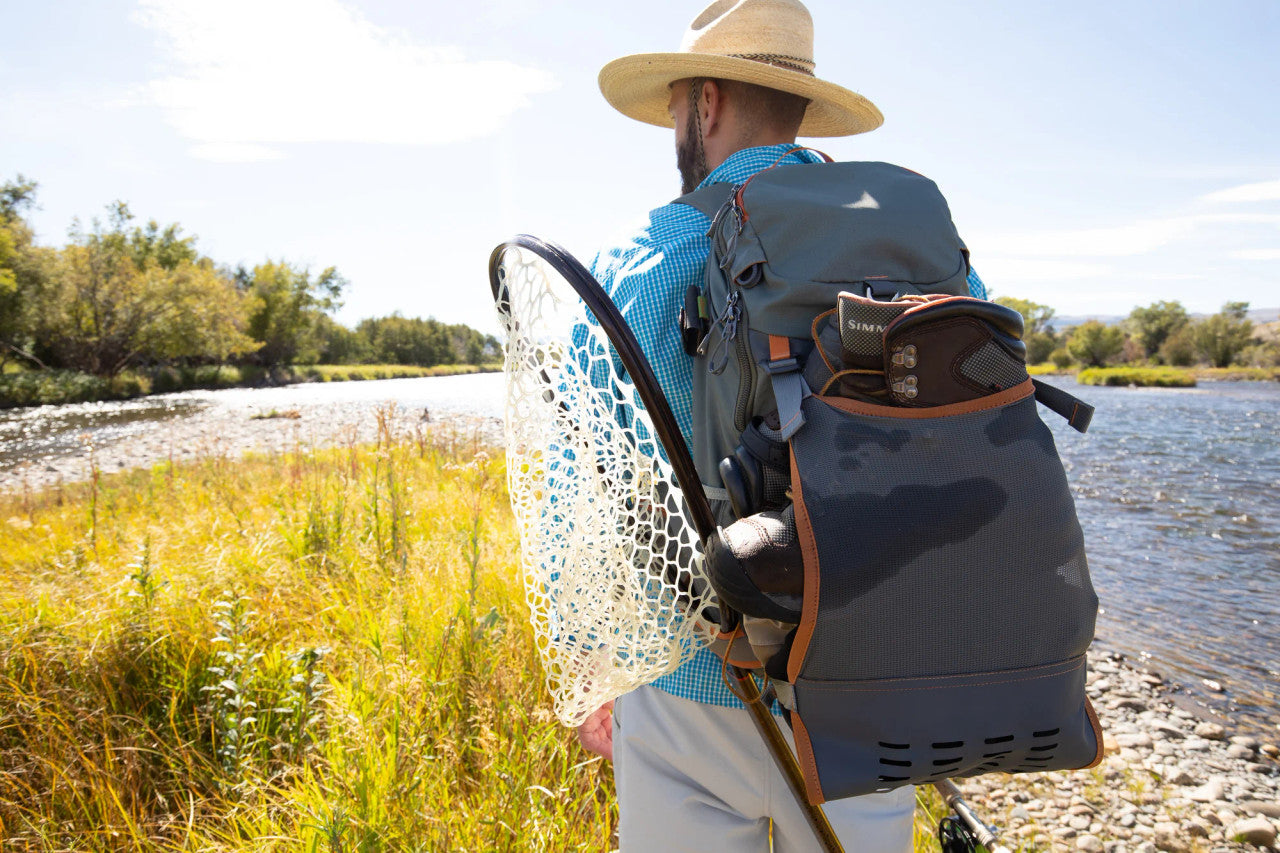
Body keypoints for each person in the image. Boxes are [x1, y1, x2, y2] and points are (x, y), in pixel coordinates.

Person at [577, 1, 987, 850]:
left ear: (708, 103)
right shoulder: (913, 244)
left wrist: (592, 667)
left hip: (689, 679)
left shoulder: (645, 255)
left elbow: (579, 479)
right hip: (868, 683)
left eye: (676, 107)